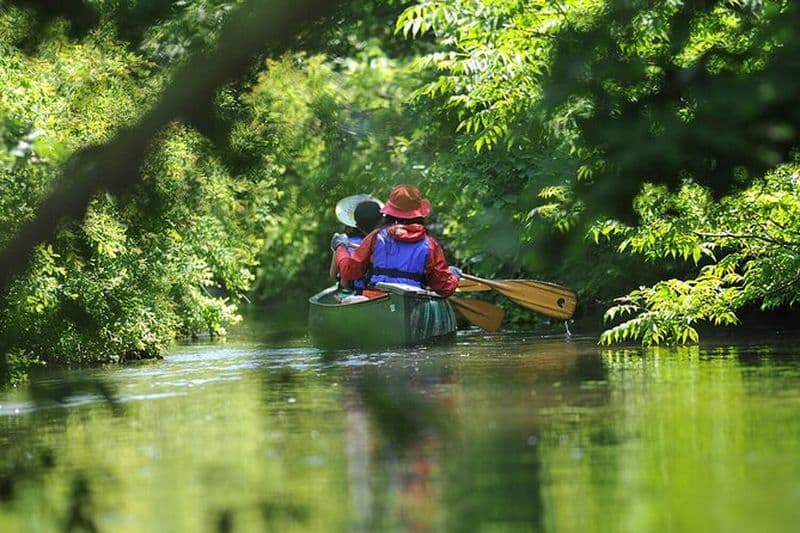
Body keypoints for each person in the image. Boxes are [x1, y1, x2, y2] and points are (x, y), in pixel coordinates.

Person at [331, 184, 461, 297]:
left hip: (377, 299)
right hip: (411, 303)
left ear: (390, 213)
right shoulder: (430, 244)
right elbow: (444, 288)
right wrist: (453, 277)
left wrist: (341, 247)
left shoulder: (377, 236)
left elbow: (349, 272)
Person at [329, 197, 384, 291]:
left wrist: (338, 248)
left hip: (360, 293)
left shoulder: (344, 242)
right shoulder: (385, 239)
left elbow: (335, 275)